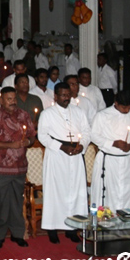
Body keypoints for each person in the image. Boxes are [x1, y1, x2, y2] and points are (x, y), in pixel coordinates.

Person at [37, 82, 91, 244]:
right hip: (57, 155)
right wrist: (61, 146)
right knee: (56, 192)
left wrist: (82, 145)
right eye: (62, 95)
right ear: (55, 96)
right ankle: (52, 227)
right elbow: (43, 136)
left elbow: (87, 131)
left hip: (75, 154)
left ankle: (72, 227)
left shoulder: (79, 112)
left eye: (68, 95)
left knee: (75, 191)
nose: (66, 98)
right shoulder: (47, 113)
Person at [0, 87, 35, 249]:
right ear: (1, 100)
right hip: (1, 168)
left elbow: (32, 135)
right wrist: (10, 144)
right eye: (9, 99)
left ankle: (17, 234)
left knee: (17, 202)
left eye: (14, 98)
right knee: (0, 202)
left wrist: (27, 142)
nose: (12, 102)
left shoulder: (23, 115)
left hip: (19, 167)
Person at [90, 92, 130, 211]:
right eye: (124, 107)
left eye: (129, 108)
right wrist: (113, 143)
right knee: (109, 191)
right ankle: (106, 219)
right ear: (116, 103)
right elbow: (94, 135)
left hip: (128, 160)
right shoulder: (102, 115)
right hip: (109, 160)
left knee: (128, 191)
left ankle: (128, 218)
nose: (126, 111)